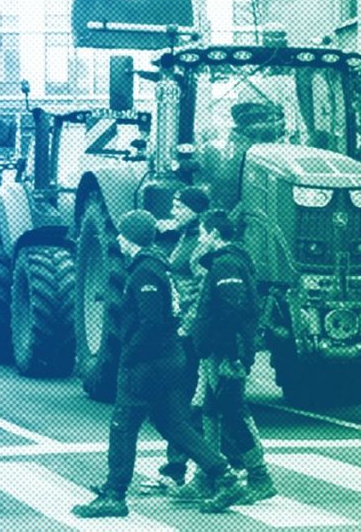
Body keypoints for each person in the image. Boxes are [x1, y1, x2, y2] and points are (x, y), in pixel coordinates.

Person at [71, 209, 247, 519]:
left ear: (131, 238)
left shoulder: (144, 273)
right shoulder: (157, 266)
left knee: (123, 425)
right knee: (173, 424)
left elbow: (151, 322)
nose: (119, 240)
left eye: (122, 234)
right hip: (169, 359)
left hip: (148, 363)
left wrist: (129, 356)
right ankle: (224, 476)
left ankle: (114, 494)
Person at [186, 209, 277, 512]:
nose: (200, 239)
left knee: (233, 411)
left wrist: (231, 354)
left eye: (202, 233)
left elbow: (233, 310)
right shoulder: (229, 262)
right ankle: (207, 476)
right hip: (220, 351)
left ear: (214, 234)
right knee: (212, 411)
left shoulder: (226, 264)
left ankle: (259, 476)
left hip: (225, 353)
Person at [153, 186, 210, 489]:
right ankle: (178, 467)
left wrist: (187, 327)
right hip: (181, 329)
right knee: (181, 399)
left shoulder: (200, 243)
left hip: (190, 334)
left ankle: (202, 467)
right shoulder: (185, 237)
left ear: (195, 210)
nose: (173, 211)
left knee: (186, 400)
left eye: (179, 206)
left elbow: (203, 292)